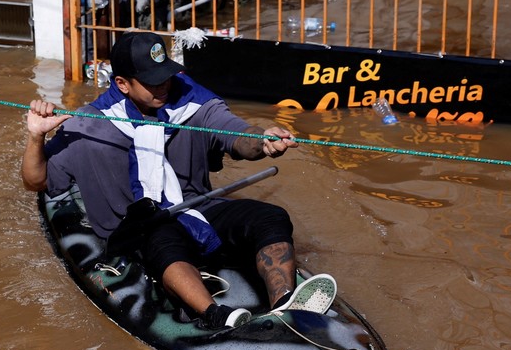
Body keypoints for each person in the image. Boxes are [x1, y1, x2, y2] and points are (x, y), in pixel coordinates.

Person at [21, 30, 335, 330]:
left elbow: (235, 134)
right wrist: (36, 136)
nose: (164, 87)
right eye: (152, 82)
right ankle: (214, 315)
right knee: (160, 235)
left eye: (166, 76)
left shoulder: (193, 101)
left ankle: (286, 304)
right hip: (137, 228)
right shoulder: (88, 125)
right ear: (122, 83)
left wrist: (262, 141)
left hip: (194, 208)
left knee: (270, 216)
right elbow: (38, 182)